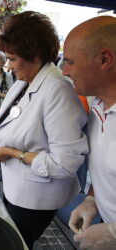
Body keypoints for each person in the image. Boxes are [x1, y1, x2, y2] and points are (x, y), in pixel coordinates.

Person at [0, 11, 88, 249]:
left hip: (37, 199)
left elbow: (65, 164)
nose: (9, 67)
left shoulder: (58, 91)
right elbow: (4, 123)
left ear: (33, 54)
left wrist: (15, 154)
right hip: (15, 188)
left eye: (12, 59)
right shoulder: (24, 82)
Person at [62, 16, 116, 250]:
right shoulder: (98, 108)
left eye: (70, 62)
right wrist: (93, 199)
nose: (64, 71)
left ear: (104, 59)